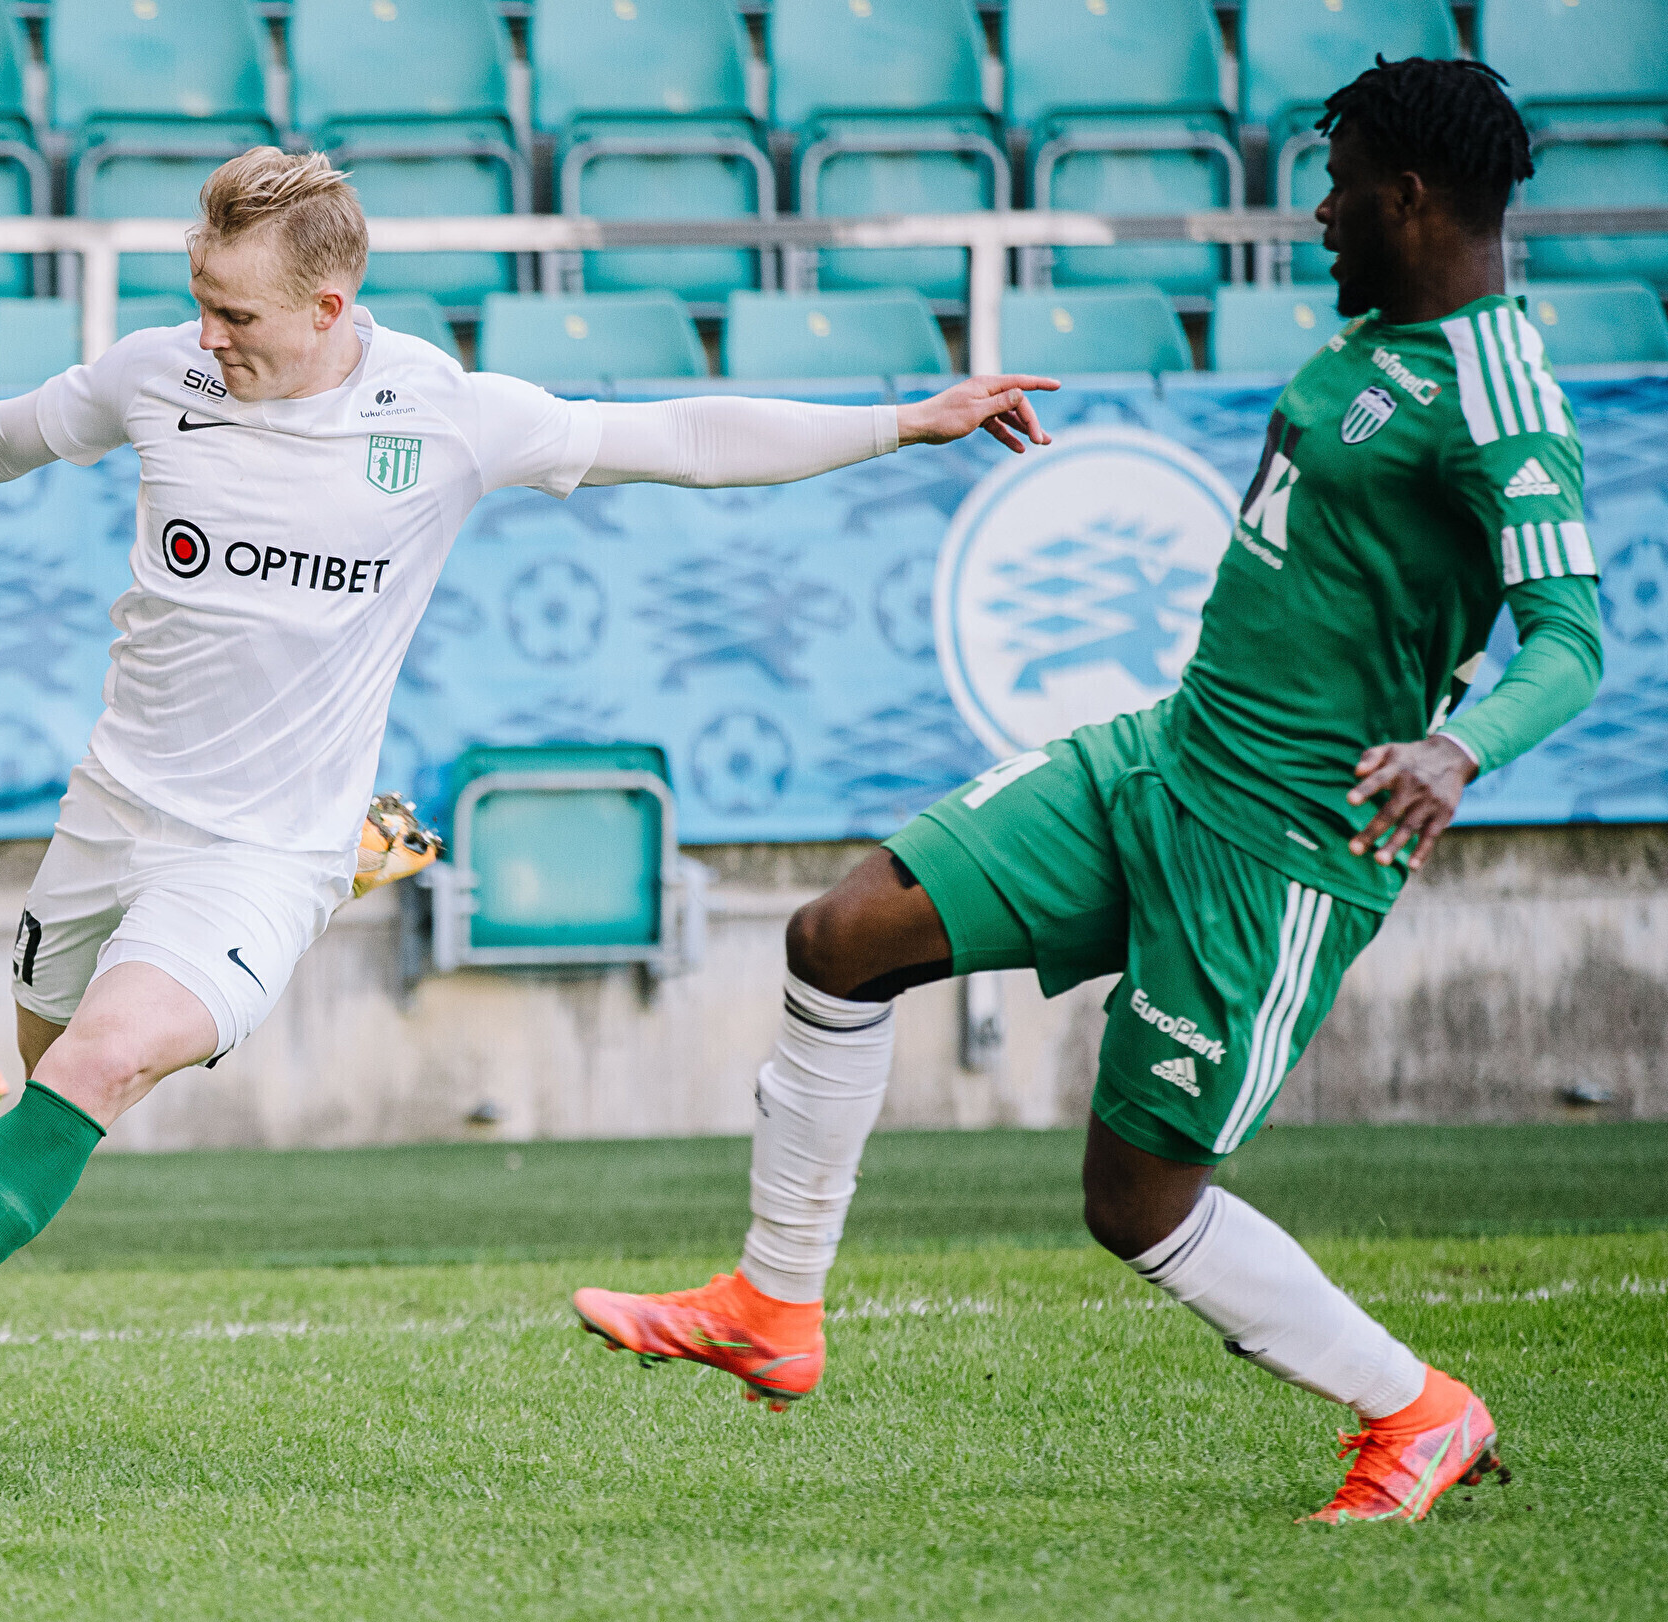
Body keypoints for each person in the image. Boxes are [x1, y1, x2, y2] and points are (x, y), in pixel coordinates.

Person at [0, 146, 1060, 1438]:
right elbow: (5, 435)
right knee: (43, 1070)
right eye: (199, 301)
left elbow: (683, 435)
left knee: (97, 1068)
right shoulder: (161, 373)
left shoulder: (443, 414)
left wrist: (904, 420)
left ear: (329, 306)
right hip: (111, 812)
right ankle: (346, 854)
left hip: (256, 853)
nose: (209, 335)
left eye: (237, 314)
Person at [569, 58, 1604, 1524]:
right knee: (839, 935)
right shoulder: (1375, 343)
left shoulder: (1502, 400)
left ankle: (1419, 1410)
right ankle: (771, 1305)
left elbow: (1572, 638)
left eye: (1341, 185)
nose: (1318, 213)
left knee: (1136, 1205)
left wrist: (1460, 747)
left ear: (1411, 195)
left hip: (1280, 846)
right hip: (1162, 761)